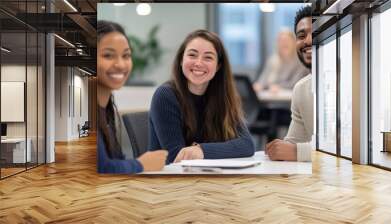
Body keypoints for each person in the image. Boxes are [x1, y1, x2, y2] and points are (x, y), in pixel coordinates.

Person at [149, 29, 255, 164]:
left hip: (208, 177)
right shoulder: (165, 95)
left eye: (208, 57)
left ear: (218, 66)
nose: (198, 63)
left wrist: (201, 150)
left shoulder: (223, 96)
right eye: (192, 55)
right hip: (167, 180)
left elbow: (247, 145)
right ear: (181, 60)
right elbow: (176, 157)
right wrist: (216, 150)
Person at [97, 20, 167, 173]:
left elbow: (116, 159)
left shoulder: (107, 108)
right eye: (108, 55)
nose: (121, 64)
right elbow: (101, 168)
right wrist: (141, 164)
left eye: (126, 55)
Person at [265, 6, 313, 162]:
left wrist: (296, 152)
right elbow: (293, 143)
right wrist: (281, 149)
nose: (308, 40)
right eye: (301, 35)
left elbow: (351, 149)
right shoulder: (301, 89)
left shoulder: (355, 82)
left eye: (315, 32)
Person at [254, 29, 309, 93]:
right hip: (271, 97)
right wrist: (259, 85)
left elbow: (295, 83)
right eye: (281, 41)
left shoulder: (300, 61)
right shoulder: (273, 60)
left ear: (294, 42)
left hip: (289, 98)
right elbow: (263, 79)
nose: (284, 43)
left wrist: (279, 86)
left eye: (286, 40)